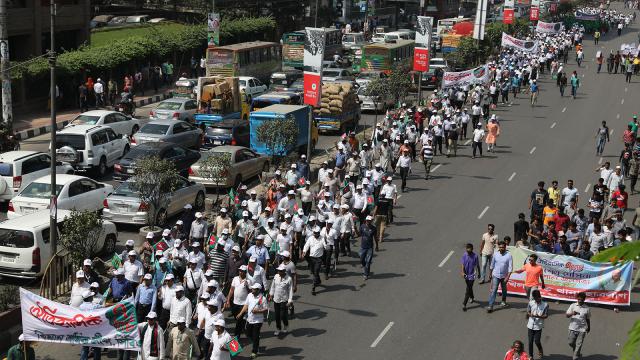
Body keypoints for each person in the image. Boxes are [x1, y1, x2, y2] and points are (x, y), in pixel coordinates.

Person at [236, 283, 267, 359]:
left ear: (258, 290)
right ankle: (256, 342)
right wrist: (240, 313)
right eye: (252, 289)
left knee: (255, 335)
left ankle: (254, 352)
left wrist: (258, 311)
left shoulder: (262, 298)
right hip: (250, 319)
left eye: (254, 289)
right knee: (248, 334)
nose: (252, 290)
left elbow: (266, 310)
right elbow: (246, 305)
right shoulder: (249, 295)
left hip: (258, 320)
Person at [486, 241, 512, 313]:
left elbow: (510, 267)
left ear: (505, 247)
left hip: (504, 276)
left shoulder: (509, 255)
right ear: (498, 247)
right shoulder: (495, 254)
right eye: (500, 247)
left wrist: (507, 277)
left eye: (502, 247)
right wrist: (490, 274)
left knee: (504, 290)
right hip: (496, 275)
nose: (501, 248)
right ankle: (490, 306)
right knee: (494, 290)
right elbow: (492, 264)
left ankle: (503, 301)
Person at [269, 264, 294, 335]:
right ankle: (278, 328)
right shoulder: (276, 276)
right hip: (276, 299)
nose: (279, 272)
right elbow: (273, 286)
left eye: (280, 271)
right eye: (278, 270)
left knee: (283, 315)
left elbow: (290, 290)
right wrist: (271, 294)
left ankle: (286, 325)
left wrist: (290, 300)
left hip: (284, 300)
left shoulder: (289, 279)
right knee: (277, 316)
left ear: (284, 271)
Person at [566, 292, 591, 360]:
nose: (580, 301)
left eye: (581, 299)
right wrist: (572, 313)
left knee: (579, 344)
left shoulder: (587, 308)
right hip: (572, 328)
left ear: (584, 300)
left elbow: (588, 318)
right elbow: (567, 315)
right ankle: (576, 350)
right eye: (579, 299)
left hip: (582, 329)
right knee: (570, 343)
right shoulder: (573, 305)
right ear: (577, 298)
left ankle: (575, 356)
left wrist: (588, 327)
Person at [526, 290, 548, 359]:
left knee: (537, 341)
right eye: (535, 298)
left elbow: (546, 316)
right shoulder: (531, 303)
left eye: (537, 298)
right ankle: (531, 356)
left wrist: (539, 316)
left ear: (540, 296)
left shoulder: (545, 305)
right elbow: (528, 312)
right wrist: (530, 314)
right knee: (530, 342)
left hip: (538, 326)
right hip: (530, 325)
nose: (536, 300)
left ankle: (540, 350)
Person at [461, 243, 480, 311]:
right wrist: (462, 272)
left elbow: (477, 265)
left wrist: (479, 273)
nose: (468, 250)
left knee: (468, 289)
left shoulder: (475, 256)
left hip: (472, 275)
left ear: (472, 249)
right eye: (467, 248)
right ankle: (472, 297)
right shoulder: (464, 255)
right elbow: (462, 264)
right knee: (469, 287)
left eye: (469, 248)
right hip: (466, 275)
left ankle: (464, 304)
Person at [359, 215, 376, 280]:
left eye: (369, 221)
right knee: (362, 260)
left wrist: (377, 245)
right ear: (366, 220)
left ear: (371, 221)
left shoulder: (374, 228)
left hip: (370, 247)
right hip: (363, 247)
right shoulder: (362, 226)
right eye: (367, 220)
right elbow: (359, 234)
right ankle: (365, 267)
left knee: (368, 261)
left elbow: (375, 237)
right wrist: (355, 229)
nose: (368, 221)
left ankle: (366, 274)